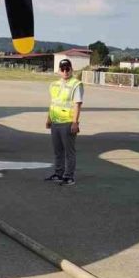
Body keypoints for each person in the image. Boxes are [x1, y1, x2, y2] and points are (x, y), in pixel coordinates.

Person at [45, 58, 83, 186]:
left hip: (67, 122)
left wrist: (75, 122)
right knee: (58, 151)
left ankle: (69, 176)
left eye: (68, 68)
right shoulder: (54, 85)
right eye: (63, 69)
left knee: (69, 152)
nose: (65, 71)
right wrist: (49, 119)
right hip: (55, 122)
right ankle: (58, 173)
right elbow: (52, 103)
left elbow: (77, 105)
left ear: (72, 69)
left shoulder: (76, 84)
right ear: (59, 71)